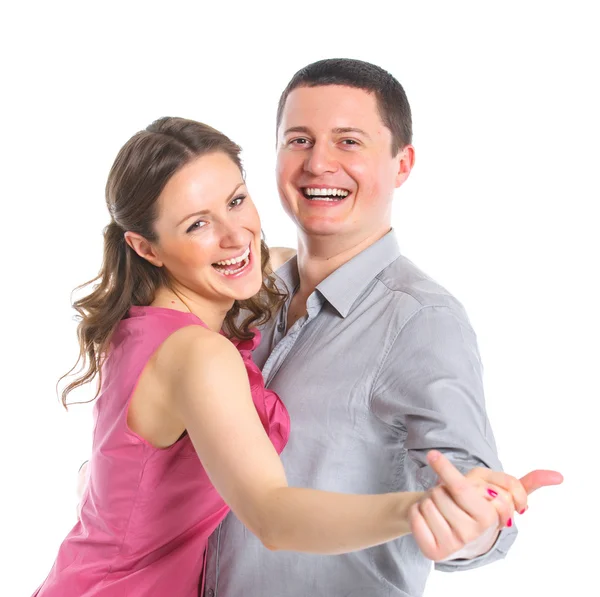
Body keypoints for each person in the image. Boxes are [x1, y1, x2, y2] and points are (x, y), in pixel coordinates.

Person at [34, 117, 540, 597]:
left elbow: (278, 257)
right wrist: (419, 508)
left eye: (236, 200)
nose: (235, 235)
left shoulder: (144, 320)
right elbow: (273, 515)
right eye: (196, 224)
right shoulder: (198, 354)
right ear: (146, 248)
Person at [198, 59, 563, 597]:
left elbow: (467, 491)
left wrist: (471, 528)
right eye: (299, 140)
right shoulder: (244, 294)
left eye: (349, 142)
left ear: (402, 164)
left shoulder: (422, 321)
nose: (318, 163)